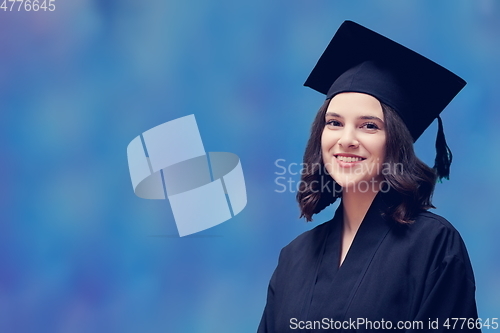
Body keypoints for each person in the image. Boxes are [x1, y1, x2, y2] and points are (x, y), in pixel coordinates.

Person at [258, 21, 480, 332]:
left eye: (369, 126)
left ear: (395, 143)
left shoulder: (434, 245)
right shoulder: (293, 258)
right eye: (334, 123)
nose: (346, 139)